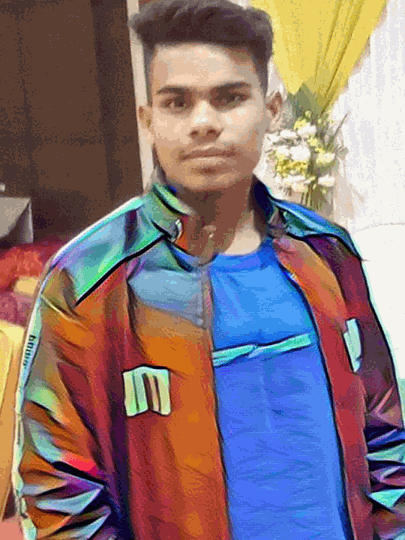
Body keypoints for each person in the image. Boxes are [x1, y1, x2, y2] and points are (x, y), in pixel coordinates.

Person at [12, 1, 405, 539]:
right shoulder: (90, 280)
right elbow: (57, 489)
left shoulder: (327, 253)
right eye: (177, 102)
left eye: (229, 98)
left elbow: (385, 432)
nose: (203, 123)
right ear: (148, 121)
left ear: (271, 109)